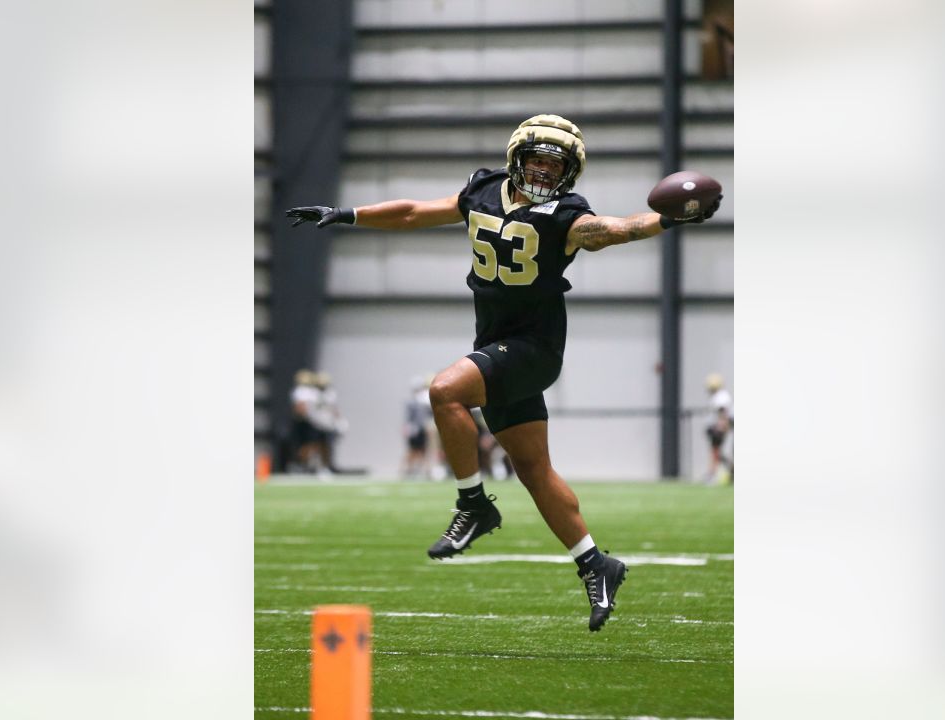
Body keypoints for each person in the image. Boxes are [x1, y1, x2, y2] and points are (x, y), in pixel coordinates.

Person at [287, 114, 721, 631]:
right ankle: (596, 564)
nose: (543, 171)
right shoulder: (484, 189)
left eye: (555, 164)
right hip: (495, 345)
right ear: (516, 157)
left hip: (533, 349)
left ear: (570, 172)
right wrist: (347, 213)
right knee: (534, 470)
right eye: (537, 160)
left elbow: (615, 229)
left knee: (445, 390)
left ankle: (474, 505)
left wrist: (669, 219)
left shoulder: (567, 214)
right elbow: (414, 213)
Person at [705, 372, 734, 485]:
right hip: (727, 426)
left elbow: (723, 412)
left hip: (725, 426)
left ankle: (713, 474)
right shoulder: (721, 395)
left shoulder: (720, 396)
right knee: (719, 452)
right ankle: (731, 473)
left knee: (716, 452)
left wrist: (721, 426)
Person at [401, 375, 431, 478]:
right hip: (414, 430)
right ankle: (407, 470)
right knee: (413, 450)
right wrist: (407, 428)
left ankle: (426, 471)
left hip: (421, 429)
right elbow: (409, 417)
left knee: (423, 450)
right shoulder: (412, 402)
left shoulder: (424, 399)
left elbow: (427, 415)